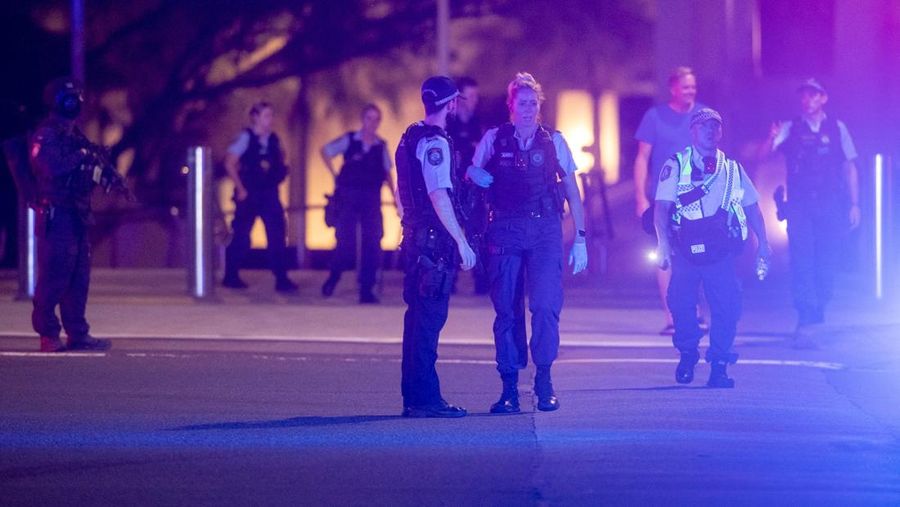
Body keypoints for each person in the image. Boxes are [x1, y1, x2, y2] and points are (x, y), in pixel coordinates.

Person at [467, 72, 588, 413]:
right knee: (506, 309)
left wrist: (580, 238)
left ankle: (544, 381)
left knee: (546, 306)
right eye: (522, 103)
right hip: (504, 228)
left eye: (533, 103)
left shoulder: (554, 141)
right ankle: (509, 389)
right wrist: (472, 173)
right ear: (511, 105)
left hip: (545, 230)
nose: (528, 109)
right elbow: (472, 179)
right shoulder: (494, 138)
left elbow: (573, 194)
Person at [654, 108, 771, 388]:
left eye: (715, 127)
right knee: (682, 307)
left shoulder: (732, 169)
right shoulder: (676, 165)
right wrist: (663, 245)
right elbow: (661, 209)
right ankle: (687, 354)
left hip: (720, 254)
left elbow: (752, 208)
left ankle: (719, 366)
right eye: (704, 126)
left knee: (727, 308)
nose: (710, 131)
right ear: (692, 131)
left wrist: (764, 244)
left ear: (721, 132)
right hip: (684, 252)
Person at [395, 76, 477, 418]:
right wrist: (461, 241)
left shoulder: (408, 136)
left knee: (415, 321)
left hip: (414, 239)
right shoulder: (436, 143)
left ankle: (415, 397)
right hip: (432, 244)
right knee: (428, 322)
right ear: (452, 103)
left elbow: (404, 191)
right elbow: (438, 194)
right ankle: (426, 400)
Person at [762, 78, 860, 333]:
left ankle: (819, 306)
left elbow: (849, 166)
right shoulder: (790, 127)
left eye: (813, 95)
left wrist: (854, 203)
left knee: (828, 258)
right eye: (804, 95)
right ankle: (805, 314)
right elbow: (765, 155)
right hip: (799, 204)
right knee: (802, 258)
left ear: (823, 98)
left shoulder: (838, 128)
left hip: (829, 202)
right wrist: (770, 138)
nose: (807, 100)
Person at [28, 77, 114, 352]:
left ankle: (77, 333)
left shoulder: (74, 134)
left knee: (78, 279)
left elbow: (85, 168)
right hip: (58, 214)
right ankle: (48, 334)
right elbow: (51, 167)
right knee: (55, 277)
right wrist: (82, 157)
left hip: (77, 213)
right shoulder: (47, 134)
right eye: (69, 97)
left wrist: (101, 173)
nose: (74, 102)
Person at [634, 66, 707, 334]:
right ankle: (672, 317)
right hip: (663, 199)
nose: (691, 91)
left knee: (697, 255)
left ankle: (696, 312)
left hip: (697, 199)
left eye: (693, 87)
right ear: (673, 88)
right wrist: (641, 197)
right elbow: (642, 158)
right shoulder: (654, 117)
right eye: (686, 87)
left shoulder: (702, 116)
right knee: (665, 256)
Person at [319, 104, 397, 304]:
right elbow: (326, 151)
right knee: (345, 242)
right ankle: (334, 277)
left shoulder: (381, 146)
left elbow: (387, 173)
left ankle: (366, 288)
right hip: (349, 197)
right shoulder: (350, 140)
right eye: (369, 118)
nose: (372, 123)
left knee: (373, 241)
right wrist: (335, 175)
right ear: (363, 119)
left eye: (376, 119)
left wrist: (395, 198)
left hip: (371, 198)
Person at [222, 102, 298, 293]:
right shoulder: (245, 138)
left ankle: (281, 277)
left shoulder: (273, 139)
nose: (270, 120)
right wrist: (240, 189)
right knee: (241, 235)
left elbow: (281, 159)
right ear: (255, 117)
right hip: (249, 193)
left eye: (271, 115)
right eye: (266, 115)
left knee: (277, 234)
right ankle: (231, 275)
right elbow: (229, 163)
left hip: (269, 193)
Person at [446, 77, 489, 294]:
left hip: (474, 188)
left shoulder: (479, 125)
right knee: (451, 231)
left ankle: (480, 281)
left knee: (477, 231)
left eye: (476, 96)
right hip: (452, 187)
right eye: (469, 96)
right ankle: (449, 280)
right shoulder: (448, 124)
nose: (473, 101)